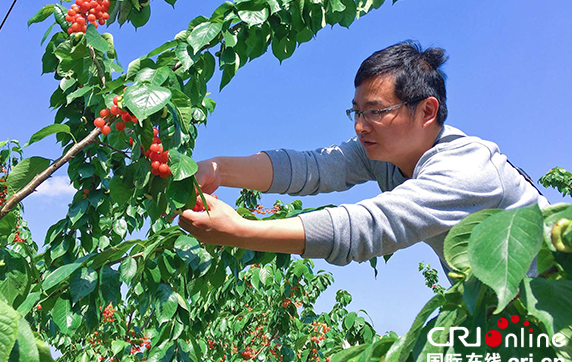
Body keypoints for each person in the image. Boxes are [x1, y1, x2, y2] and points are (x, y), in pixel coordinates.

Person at [178, 40, 548, 274]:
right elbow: (314, 167)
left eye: (375, 111)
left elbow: (369, 226)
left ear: (427, 111)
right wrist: (218, 168)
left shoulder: (466, 169)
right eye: (356, 112)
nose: (360, 126)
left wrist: (240, 232)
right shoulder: (385, 153)